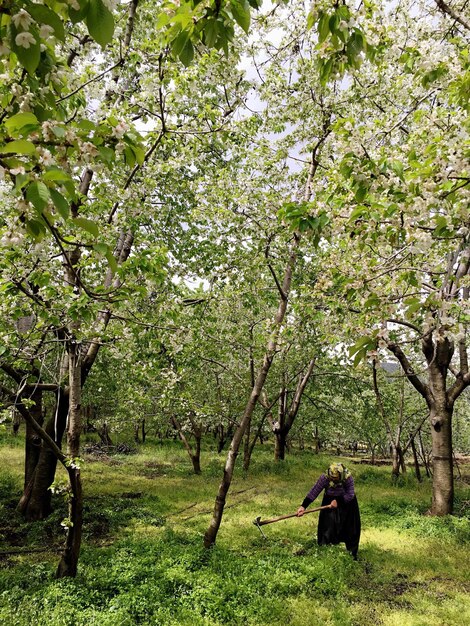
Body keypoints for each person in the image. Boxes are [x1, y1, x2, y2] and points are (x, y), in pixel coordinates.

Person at [296, 462, 361, 559]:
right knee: (327, 527)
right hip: (329, 501)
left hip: (347, 503)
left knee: (351, 527)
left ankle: (352, 554)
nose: (333, 480)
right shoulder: (325, 477)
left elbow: (350, 494)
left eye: (335, 478)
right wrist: (303, 506)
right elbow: (315, 490)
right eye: (332, 478)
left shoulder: (348, 477)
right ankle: (323, 552)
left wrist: (338, 501)